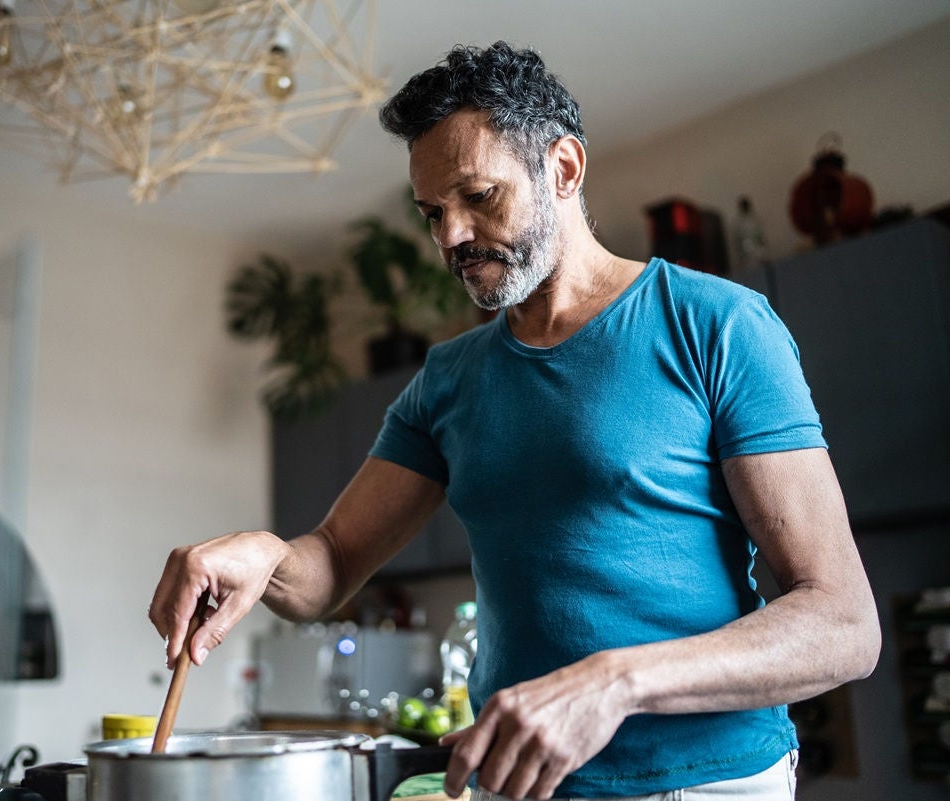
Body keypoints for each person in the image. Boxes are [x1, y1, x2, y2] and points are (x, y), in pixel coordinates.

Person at [149, 41, 880, 800]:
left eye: (478, 197)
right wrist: (267, 555)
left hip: (705, 782)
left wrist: (615, 682)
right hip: (517, 783)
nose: (450, 237)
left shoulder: (717, 324)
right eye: (433, 213)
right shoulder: (447, 381)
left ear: (563, 168)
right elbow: (331, 562)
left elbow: (843, 623)